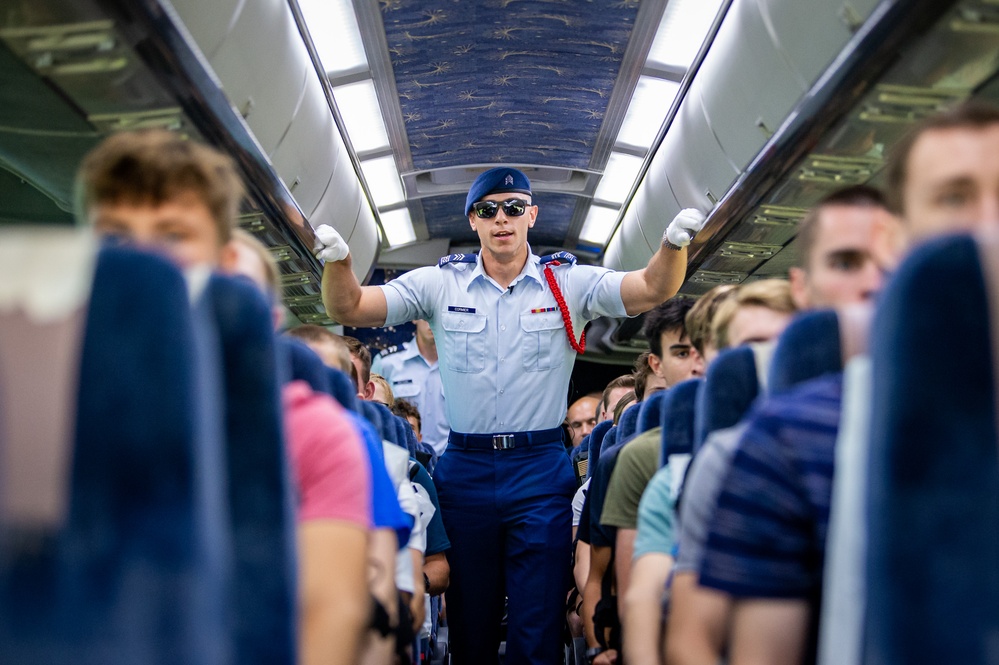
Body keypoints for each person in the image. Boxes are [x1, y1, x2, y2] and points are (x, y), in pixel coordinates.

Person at [316, 166, 707, 664]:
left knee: (536, 625)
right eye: (487, 210)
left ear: (531, 216)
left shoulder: (567, 282)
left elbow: (650, 289)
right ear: (474, 221)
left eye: (513, 208)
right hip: (466, 468)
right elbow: (350, 304)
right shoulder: (439, 284)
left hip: (540, 469)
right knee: (470, 625)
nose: (501, 218)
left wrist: (672, 247)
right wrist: (340, 261)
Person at [371, 319, 450, 457]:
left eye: (437, 316)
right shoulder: (388, 364)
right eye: (426, 316)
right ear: (415, 317)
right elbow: (371, 412)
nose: (432, 323)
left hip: (447, 460)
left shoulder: (458, 367)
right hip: (404, 458)